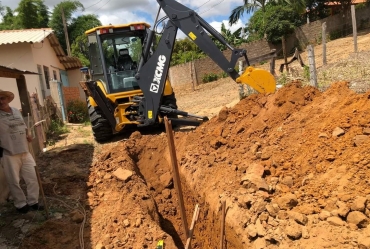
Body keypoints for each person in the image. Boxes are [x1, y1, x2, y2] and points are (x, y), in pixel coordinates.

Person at [0, 89, 42, 213]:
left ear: (7, 99)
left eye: (3, 98)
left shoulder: (16, 112)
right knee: (14, 181)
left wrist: (28, 135)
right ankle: (21, 204)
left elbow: (24, 127)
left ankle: (33, 202)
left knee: (32, 178)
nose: (1, 101)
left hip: (25, 151)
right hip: (9, 154)